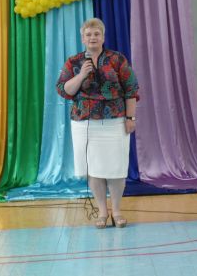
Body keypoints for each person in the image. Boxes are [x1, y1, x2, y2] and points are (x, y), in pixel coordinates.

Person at [56, 18, 139, 228]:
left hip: (115, 121)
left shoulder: (117, 59)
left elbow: (131, 89)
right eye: (88, 34)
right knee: (94, 169)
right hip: (83, 123)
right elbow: (64, 90)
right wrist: (81, 75)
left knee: (116, 168)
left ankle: (117, 211)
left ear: (103, 37)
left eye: (96, 34)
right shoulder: (73, 62)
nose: (93, 37)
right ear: (83, 38)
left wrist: (130, 118)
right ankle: (102, 212)